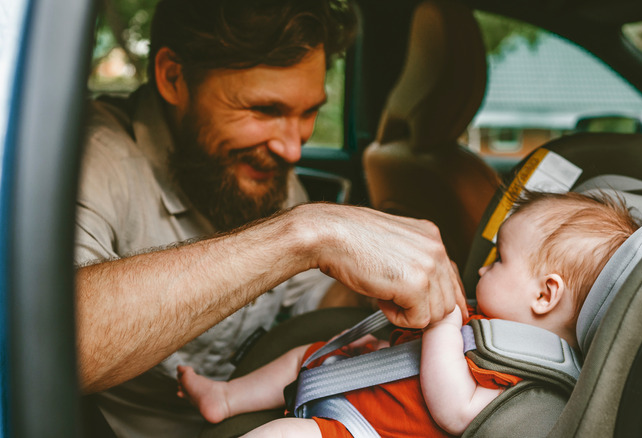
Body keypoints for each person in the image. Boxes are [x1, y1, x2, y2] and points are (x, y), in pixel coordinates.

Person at [75, 1, 465, 436]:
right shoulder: (92, 160)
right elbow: (53, 342)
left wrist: (376, 288)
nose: (292, 150)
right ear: (173, 78)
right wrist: (305, 233)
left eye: (309, 113)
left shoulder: (256, 164)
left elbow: (307, 300)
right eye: (265, 110)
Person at [176, 190, 640, 437]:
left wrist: (441, 323)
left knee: (285, 436)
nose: (483, 265)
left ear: (545, 294)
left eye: (499, 260)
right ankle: (227, 397)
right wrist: (388, 349)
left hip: (363, 431)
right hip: (365, 388)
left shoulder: (531, 386)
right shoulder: (490, 323)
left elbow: (454, 409)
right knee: (304, 355)